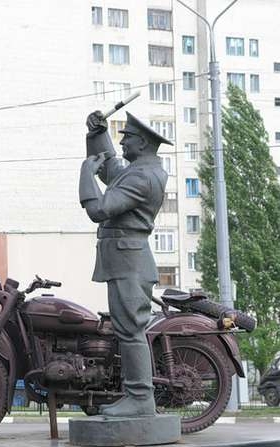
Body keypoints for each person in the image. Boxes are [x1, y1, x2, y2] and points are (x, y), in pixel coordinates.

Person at [78, 110, 172, 417]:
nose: (121, 143)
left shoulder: (143, 176)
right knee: (127, 330)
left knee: (131, 331)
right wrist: (96, 135)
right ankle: (136, 396)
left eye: (126, 137)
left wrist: (84, 174)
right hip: (124, 257)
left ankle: (140, 398)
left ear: (142, 143)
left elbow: (100, 208)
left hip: (129, 260)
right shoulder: (139, 170)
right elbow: (110, 169)